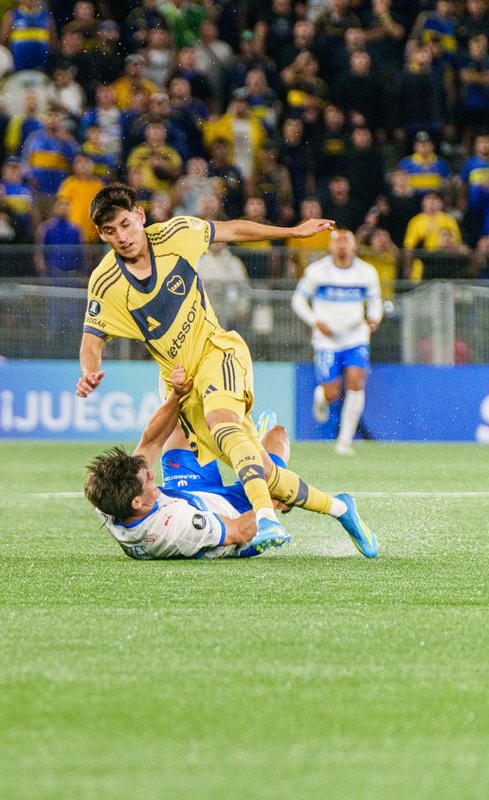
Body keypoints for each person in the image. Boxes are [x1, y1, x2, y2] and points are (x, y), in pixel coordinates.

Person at [77, 182, 339, 543]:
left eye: (125, 224)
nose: (121, 237)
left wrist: (292, 231)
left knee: (200, 435)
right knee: (261, 456)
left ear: (139, 216)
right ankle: (260, 457)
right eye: (109, 231)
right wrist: (89, 370)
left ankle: (265, 508)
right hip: (177, 378)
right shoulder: (105, 283)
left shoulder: (176, 234)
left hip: (213, 354)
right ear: (100, 234)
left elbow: (232, 230)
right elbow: (92, 339)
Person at [85, 365, 378, 560]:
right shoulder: (177, 529)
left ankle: (244, 439)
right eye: (148, 479)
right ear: (137, 503)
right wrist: (271, 504)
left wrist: (176, 393)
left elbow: (151, 442)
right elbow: (240, 530)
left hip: (189, 497)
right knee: (277, 439)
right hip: (228, 519)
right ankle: (255, 441)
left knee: (180, 426)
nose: (152, 474)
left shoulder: (107, 500)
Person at [292, 230, 383, 456]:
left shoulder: (366, 272)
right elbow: (298, 299)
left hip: (355, 336)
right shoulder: (317, 271)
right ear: (330, 247)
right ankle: (321, 398)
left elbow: (375, 302)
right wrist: (315, 321)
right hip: (327, 340)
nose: (342, 246)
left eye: (346, 242)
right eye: (338, 242)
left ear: (354, 246)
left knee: (356, 382)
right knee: (332, 393)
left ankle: (345, 441)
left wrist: (374, 318)